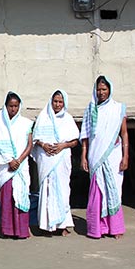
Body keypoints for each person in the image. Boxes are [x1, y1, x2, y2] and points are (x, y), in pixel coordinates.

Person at [80, 76, 128, 239]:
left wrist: (126, 156)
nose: (101, 92)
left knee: (113, 188)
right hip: (95, 154)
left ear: (110, 90)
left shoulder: (117, 108)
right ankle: (97, 228)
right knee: (97, 190)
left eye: (104, 89)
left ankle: (115, 228)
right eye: (99, 89)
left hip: (114, 154)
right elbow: (85, 135)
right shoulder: (91, 109)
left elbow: (124, 133)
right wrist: (84, 156)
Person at [32, 90, 80, 235]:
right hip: (46, 160)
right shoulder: (43, 117)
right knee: (46, 191)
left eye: (60, 102)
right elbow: (35, 138)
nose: (57, 105)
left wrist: (62, 146)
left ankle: (63, 225)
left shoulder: (68, 119)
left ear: (64, 103)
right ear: (51, 101)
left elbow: (75, 141)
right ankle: (47, 226)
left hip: (61, 159)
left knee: (63, 191)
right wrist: (43, 145)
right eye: (55, 101)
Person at [0, 92, 34, 239]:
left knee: (21, 196)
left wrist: (19, 160)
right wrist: (9, 160)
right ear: (6, 106)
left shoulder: (26, 123)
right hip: (6, 166)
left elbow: (29, 145)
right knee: (8, 199)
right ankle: (8, 230)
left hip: (21, 165)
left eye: (16, 106)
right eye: (10, 106)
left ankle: (21, 230)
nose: (13, 109)